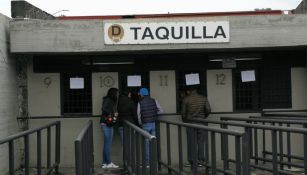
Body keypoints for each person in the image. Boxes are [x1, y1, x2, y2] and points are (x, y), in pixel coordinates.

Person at [181, 85, 211, 167]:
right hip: (202, 122)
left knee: (191, 143)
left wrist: (185, 121)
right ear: (196, 90)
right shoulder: (203, 98)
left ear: (188, 91)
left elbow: (183, 114)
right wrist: (204, 117)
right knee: (201, 142)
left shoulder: (186, 99)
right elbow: (208, 109)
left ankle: (192, 161)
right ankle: (201, 161)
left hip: (190, 123)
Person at [137, 87, 163, 165]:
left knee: (146, 143)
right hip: (154, 123)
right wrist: (154, 114)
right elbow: (161, 111)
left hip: (145, 124)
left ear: (141, 94)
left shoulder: (140, 102)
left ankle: (148, 162)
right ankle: (155, 160)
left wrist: (140, 123)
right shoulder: (154, 100)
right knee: (154, 142)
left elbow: (138, 115)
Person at [100, 87, 119, 169]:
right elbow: (104, 108)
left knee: (106, 144)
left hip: (104, 123)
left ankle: (104, 163)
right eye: (117, 93)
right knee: (108, 144)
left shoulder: (108, 99)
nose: (117, 95)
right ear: (113, 93)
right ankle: (108, 162)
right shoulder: (109, 100)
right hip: (107, 124)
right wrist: (112, 113)